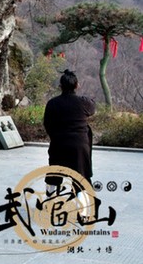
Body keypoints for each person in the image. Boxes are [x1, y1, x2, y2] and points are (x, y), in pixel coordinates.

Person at [43, 69, 96, 216]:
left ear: (60, 86)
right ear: (77, 85)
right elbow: (93, 107)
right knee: (80, 177)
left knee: (54, 175)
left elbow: (47, 124)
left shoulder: (52, 103)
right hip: (79, 146)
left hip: (59, 144)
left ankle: (50, 205)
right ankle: (83, 211)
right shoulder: (84, 102)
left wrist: (56, 137)